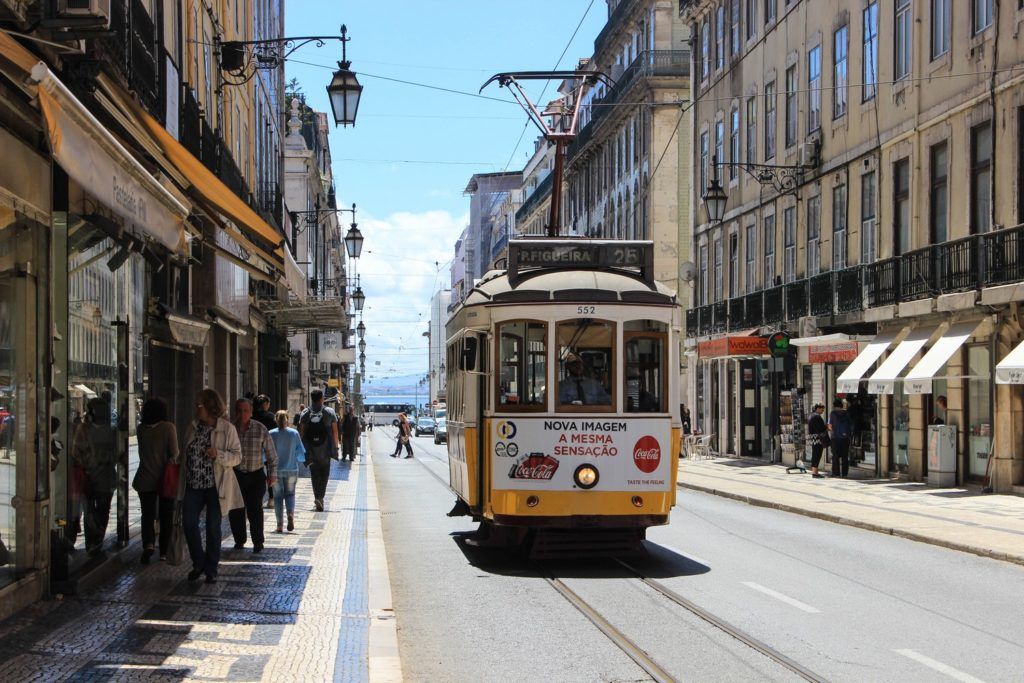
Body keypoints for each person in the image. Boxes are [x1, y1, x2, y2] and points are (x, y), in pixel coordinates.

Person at [178, 389, 243, 584]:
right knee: (189, 523)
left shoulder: (227, 429)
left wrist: (219, 455)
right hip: (193, 485)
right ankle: (199, 562)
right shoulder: (192, 427)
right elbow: (185, 455)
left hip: (216, 486)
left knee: (213, 528)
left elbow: (237, 457)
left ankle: (211, 569)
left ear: (210, 407)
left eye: (200, 405)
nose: (197, 409)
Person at [229, 398, 278, 553]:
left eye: (245, 410)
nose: (242, 414)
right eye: (239, 410)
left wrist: (272, 475)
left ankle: (258, 541)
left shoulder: (260, 429)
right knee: (236, 510)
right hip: (235, 475)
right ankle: (239, 540)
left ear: (251, 412)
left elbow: (272, 456)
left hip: (255, 475)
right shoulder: (230, 429)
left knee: (255, 509)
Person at [133, 398, 178, 563]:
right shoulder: (168, 428)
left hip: (144, 478)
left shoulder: (140, 429)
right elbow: (175, 453)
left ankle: (149, 544)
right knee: (166, 516)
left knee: (147, 514)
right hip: (164, 479)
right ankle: (164, 551)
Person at [72, 398, 117, 556]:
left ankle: (93, 542)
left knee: (90, 511)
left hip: (91, 478)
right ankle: (96, 541)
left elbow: (76, 453)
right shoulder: (111, 431)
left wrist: (87, 465)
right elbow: (117, 455)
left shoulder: (83, 430)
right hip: (105, 478)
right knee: (101, 511)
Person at [298, 390, 338, 512]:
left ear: (311, 398)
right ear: (322, 399)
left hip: (311, 450)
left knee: (314, 474)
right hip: (326, 450)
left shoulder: (305, 413)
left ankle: (317, 498)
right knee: (325, 474)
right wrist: (335, 447)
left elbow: (302, 433)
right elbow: (335, 431)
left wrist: (302, 449)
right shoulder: (330, 412)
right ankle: (320, 497)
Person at [269, 410, 304, 533]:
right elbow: (300, 452)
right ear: (287, 419)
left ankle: (279, 525)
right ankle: (290, 513)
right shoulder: (294, 433)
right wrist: (298, 458)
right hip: (291, 469)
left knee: (278, 497)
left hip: (275, 470)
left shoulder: (271, 434)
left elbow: (266, 453)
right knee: (290, 494)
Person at [252, 395, 276, 509]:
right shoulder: (271, 417)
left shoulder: (252, 416)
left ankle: (255, 498)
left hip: (253, 449)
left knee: (255, 473)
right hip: (267, 448)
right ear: (265, 404)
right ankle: (271, 499)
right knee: (270, 472)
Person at [828, 398, 853, 478]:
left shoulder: (833, 413)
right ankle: (845, 474)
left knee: (835, 456)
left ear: (834, 405)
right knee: (845, 456)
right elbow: (850, 425)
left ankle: (836, 473)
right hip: (845, 438)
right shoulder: (846, 413)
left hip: (835, 438)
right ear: (841, 405)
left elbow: (830, 426)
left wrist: (832, 431)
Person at [807, 403, 828, 478]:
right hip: (818, 438)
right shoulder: (816, 417)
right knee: (817, 454)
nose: (823, 410)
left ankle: (815, 471)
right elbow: (821, 428)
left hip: (813, 438)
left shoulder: (811, 416)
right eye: (822, 408)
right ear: (817, 408)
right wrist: (827, 426)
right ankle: (815, 472)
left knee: (815, 453)